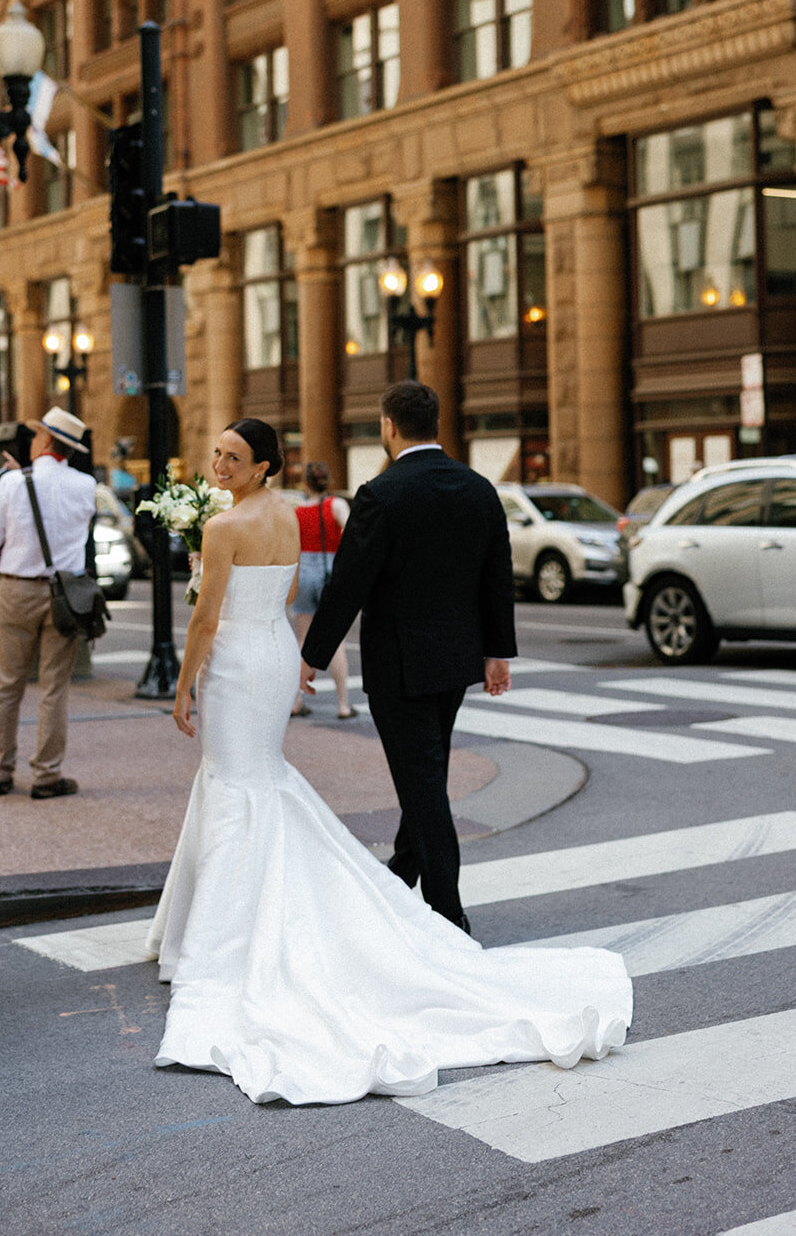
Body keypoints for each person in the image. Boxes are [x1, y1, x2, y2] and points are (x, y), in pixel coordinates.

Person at [148, 417, 631, 1107]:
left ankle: (240, 939)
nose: (219, 464)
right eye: (216, 454)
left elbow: (215, 617)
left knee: (248, 784)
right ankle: (237, 916)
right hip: (286, 655)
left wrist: (187, 676)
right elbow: (294, 594)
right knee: (260, 781)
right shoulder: (297, 514)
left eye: (232, 456)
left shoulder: (228, 527)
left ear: (262, 467)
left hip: (249, 663)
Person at [300, 381, 514, 931]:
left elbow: (347, 584)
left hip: (400, 667)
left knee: (423, 788)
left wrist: (313, 656)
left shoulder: (381, 494)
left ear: (389, 427)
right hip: (457, 663)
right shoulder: (479, 488)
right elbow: (497, 577)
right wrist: (497, 653)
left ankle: (448, 915)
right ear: (435, 423)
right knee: (426, 777)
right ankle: (397, 880)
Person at [0, 407, 96, 799]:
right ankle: (46, 775)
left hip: (17, 590)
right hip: (66, 594)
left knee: (6, 685)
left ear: (44, 439)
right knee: (54, 688)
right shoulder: (86, 485)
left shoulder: (12, 483)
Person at [289, 461, 354, 720]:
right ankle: (343, 705)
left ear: (305, 483)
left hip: (303, 571)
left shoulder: (297, 511)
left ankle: (295, 700)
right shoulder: (336, 505)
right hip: (330, 571)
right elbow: (353, 536)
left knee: (303, 638)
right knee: (335, 639)